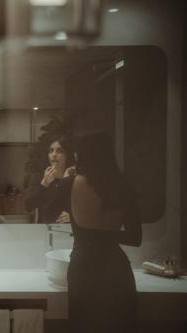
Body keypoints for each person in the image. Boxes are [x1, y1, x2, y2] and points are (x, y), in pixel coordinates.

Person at [50, 131, 142, 333]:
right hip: (116, 270)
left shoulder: (70, 184)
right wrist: (104, 236)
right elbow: (135, 238)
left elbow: (48, 212)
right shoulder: (123, 185)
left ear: (82, 155)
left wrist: (54, 181)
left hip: (84, 270)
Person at [24, 136, 76, 223]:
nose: (54, 155)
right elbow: (28, 206)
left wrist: (73, 217)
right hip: (44, 229)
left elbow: (85, 207)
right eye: (51, 151)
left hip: (68, 229)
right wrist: (44, 184)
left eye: (60, 151)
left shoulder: (74, 179)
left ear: (67, 155)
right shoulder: (38, 177)